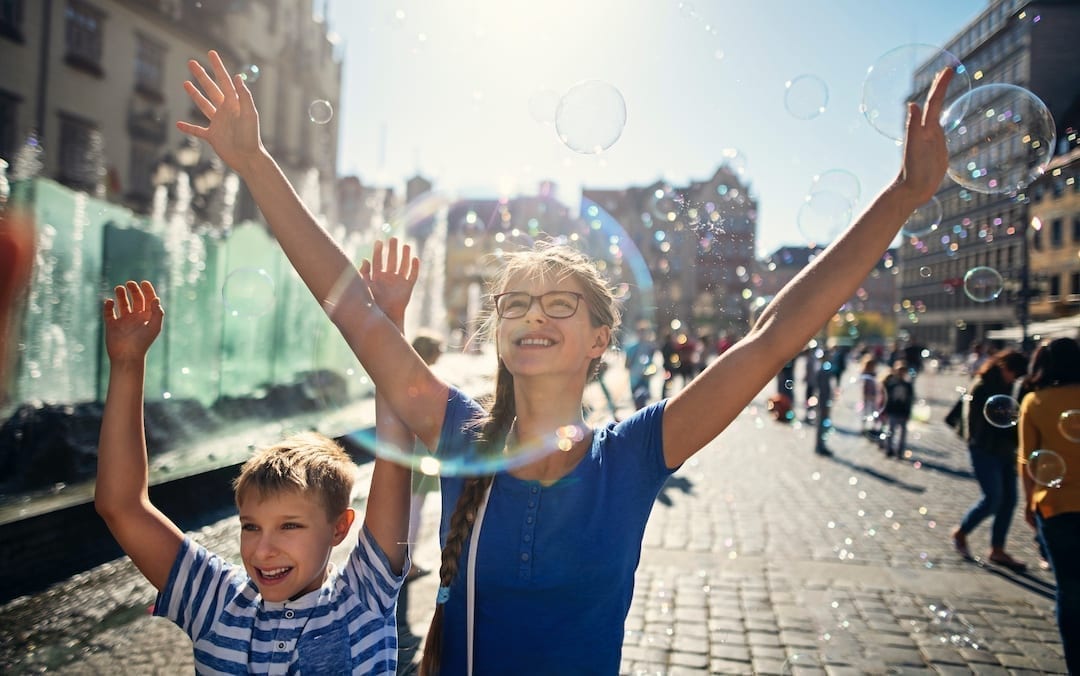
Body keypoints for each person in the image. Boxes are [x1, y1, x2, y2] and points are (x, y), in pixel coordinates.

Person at [177, 49, 955, 674]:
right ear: (498, 335)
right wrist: (254, 166)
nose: (532, 315)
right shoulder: (457, 429)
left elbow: (773, 336)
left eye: (559, 304)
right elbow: (348, 302)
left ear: (598, 341)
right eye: (514, 303)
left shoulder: (636, 452)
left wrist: (903, 196)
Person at [95, 262, 415, 672]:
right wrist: (126, 363)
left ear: (340, 527)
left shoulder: (362, 597)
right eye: (250, 526)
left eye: (289, 525)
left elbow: (395, 452)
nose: (262, 551)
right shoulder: (216, 602)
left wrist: (389, 326)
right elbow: (121, 505)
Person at [1018, 338, 1080, 672]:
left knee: (1070, 591)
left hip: (1056, 507)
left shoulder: (1034, 401)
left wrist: (1030, 504)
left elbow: (1027, 461)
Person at [951, 349, 1029, 571]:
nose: (1014, 378)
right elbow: (976, 425)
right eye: (1013, 373)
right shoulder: (982, 385)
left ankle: (997, 549)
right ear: (1004, 366)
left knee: (1010, 500)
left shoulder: (1010, 387)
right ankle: (961, 531)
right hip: (984, 450)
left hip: (1005, 450)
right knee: (993, 498)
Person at [407, 330, 445, 581]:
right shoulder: (426, 379)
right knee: (415, 508)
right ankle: (407, 562)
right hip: (420, 451)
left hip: (410, 449)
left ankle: (403, 560)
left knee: (409, 506)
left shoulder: (405, 374)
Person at [879, 360, 914, 458]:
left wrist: (909, 412)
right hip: (892, 411)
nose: (901, 373)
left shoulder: (908, 385)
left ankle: (900, 451)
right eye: (899, 370)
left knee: (903, 434)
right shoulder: (890, 383)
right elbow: (886, 398)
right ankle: (889, 449)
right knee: (890, 431)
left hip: (903, 411)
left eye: (903, 371)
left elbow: (910, 399)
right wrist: (885, 410)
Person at [623, 320, 659, 410]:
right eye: (641, 332)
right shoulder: (632, 348)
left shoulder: (650, 347)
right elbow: (626, 365)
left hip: (643, 380)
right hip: (636, 380)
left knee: (640, 404)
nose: (643, 334)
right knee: (640, 406)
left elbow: (654, 364)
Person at [857, 353, 881, 437]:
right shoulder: (864, 374)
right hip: (866, 396)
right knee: (865, 413)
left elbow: (877, 385)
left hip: (873, 396)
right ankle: (863, 428)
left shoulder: (874, 374)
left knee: (874, 412)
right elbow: (863, 385)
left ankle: (873, 428)